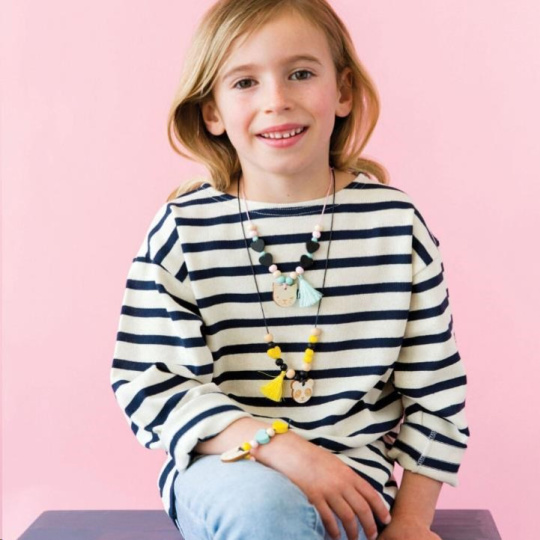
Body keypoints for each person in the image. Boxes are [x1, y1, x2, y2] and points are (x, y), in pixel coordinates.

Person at [110, 1, 469, 539]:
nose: (276, 100)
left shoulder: (395, 225)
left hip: (355, 489)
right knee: (264, 511)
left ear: (342, 92)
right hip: (228, 469)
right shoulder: (182, 230)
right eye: (245, 82)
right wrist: (283, 447)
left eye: (300, 73)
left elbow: (436, 396)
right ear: (212, 112)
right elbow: (151, 383)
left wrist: (412, 523)